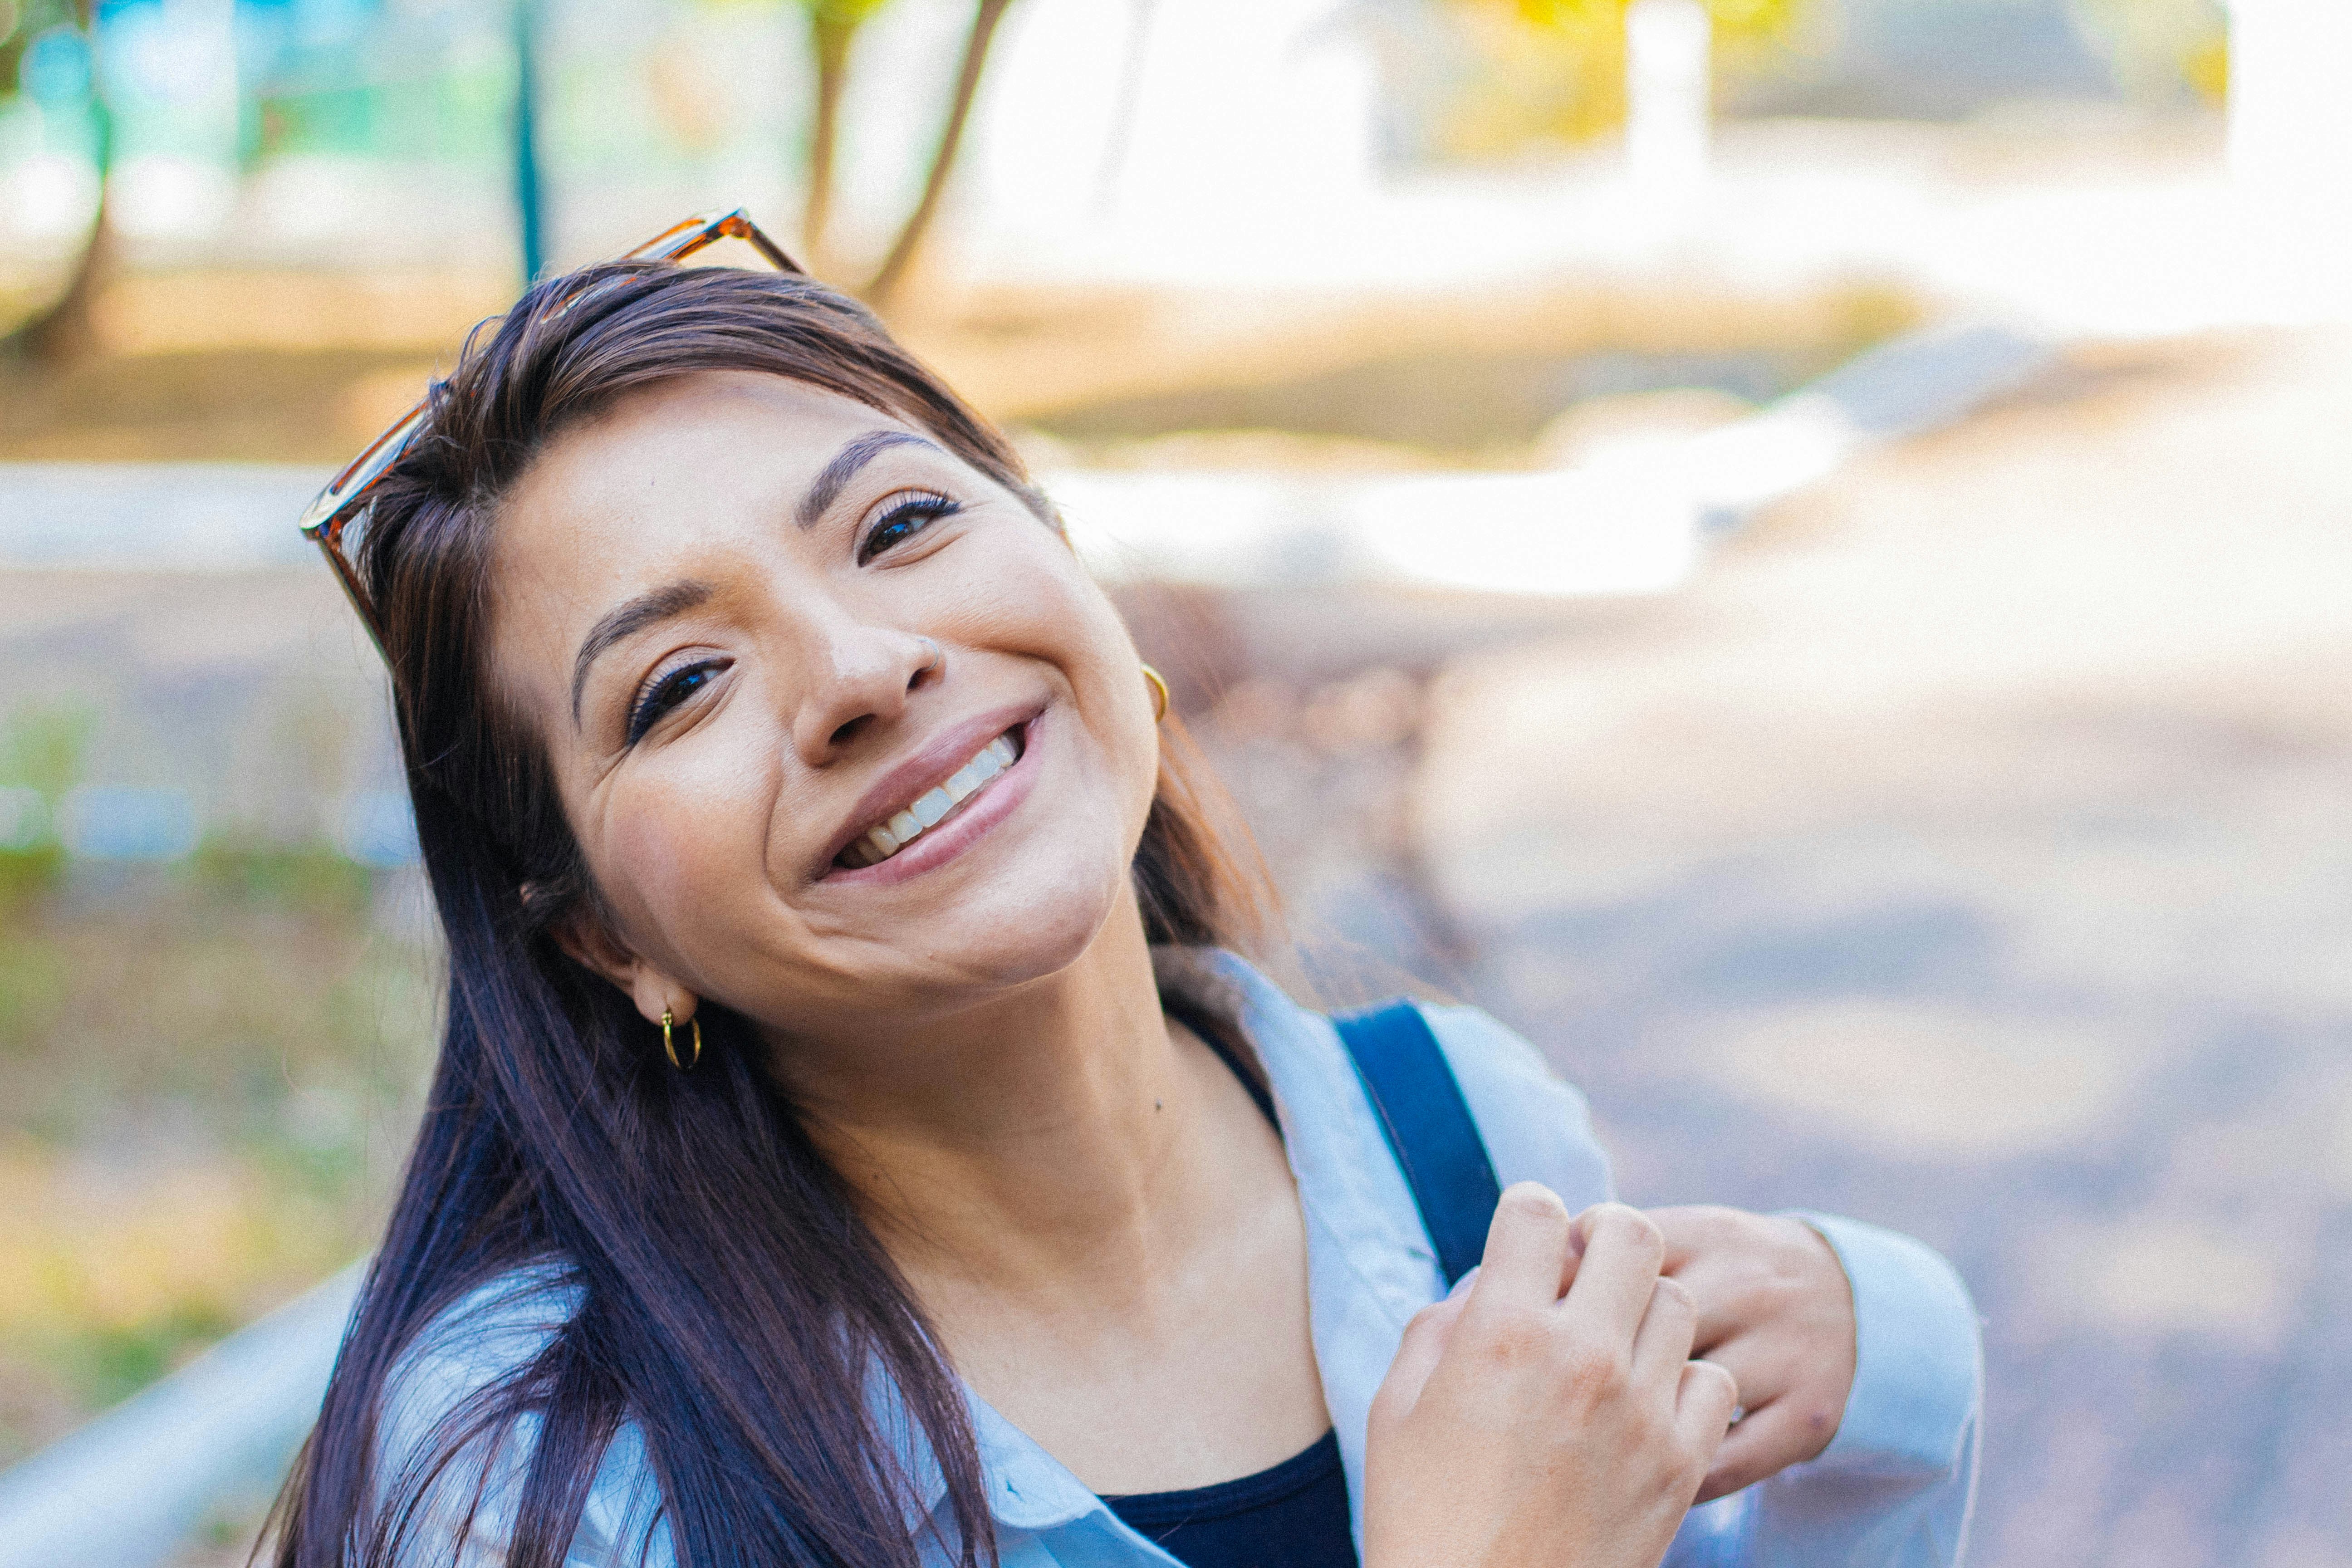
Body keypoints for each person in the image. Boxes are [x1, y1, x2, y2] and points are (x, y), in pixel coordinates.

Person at [270, 218, 1980, 1568]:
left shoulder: (1471, 1146)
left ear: (1065, 562)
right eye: (681, 686)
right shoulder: (542, 1475)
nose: (862, 667)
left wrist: (1897, 1367)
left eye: (899, 527)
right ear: (599, 934)